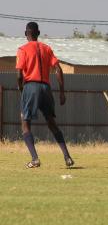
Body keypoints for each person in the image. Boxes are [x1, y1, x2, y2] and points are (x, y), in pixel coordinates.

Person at [16, 22, 74, 168]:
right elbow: (58, 69)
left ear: (25, 33)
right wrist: (61, 92)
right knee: (51, 123)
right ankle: (67, 157)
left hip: (31, 86)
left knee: (25, 122)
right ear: (38, 33)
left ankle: (35, 159)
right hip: (46, 88)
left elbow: (18, 74)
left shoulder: (22, 49)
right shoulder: (46, 49)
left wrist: (21, 88)